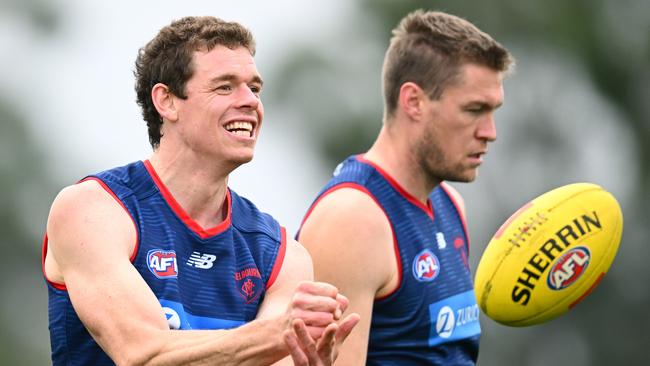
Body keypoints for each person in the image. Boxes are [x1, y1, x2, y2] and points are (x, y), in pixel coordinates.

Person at [42, 16, 359, 365]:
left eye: (254, 88)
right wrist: (273, 337)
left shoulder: (282, 255)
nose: (249, 101)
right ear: (166, 101)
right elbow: (143, 354)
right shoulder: (93, 210)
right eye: (225, 87)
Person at [297, 9, 514, 365]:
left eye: (493, 111)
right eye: (474, 110)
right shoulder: (352, 220)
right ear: (413, 101)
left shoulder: (449, 203)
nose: (490, 132)